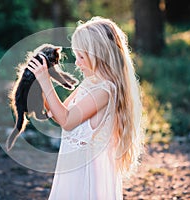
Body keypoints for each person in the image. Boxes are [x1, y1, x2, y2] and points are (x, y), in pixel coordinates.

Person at [28, 16, 144, 200]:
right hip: (72, 170)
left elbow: (67, 121)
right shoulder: (89, 84)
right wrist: (41, 81)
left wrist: (45, 81)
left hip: (86, 175)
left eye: (81, 56)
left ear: (99, 55)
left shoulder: (105, 90)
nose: (76, 63)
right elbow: (58, 114)